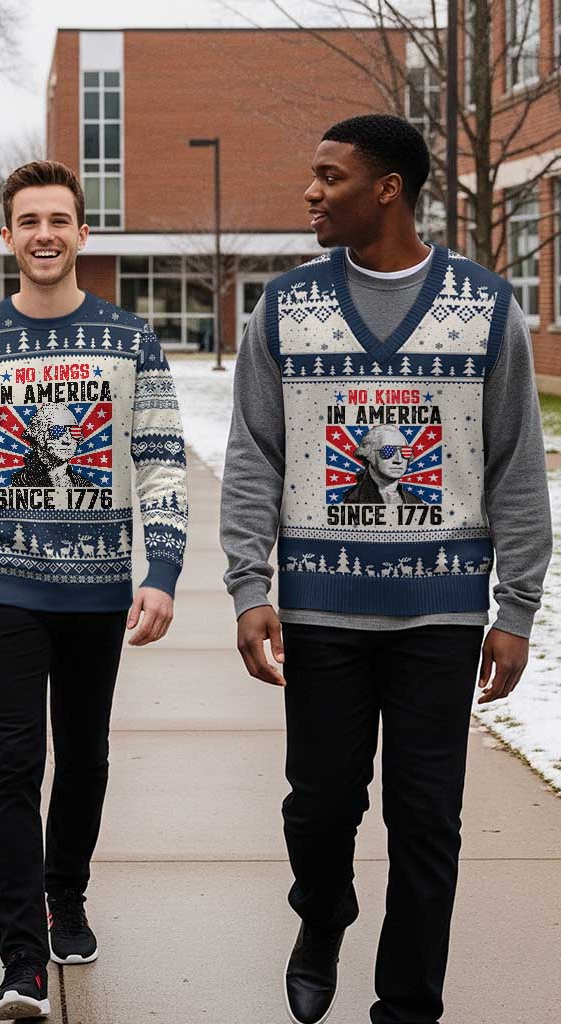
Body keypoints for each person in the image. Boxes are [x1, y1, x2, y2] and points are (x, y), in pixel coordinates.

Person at [221, 114, 551, 1024]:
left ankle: (408, 1005)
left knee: (427, 824)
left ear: (388, 188)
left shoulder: (484, 308)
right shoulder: (285, 307)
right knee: (319, 810)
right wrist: (251, 585)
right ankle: (321, 913)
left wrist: (516, 607)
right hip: (322, 612)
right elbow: (254, 452)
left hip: (441, 619)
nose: (311, 192)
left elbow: (517, 465)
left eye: (329, 176)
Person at [0, 159, 188, 1021]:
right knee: (13, 761)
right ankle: (21, 961)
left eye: (58, 220)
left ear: (82, 232)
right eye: (27, 220)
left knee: (86, 752)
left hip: (99, 584)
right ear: (6, 235)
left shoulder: (129, 340)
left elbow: (160, 460)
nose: (44, 234)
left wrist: (164, 569)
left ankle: (64, 895)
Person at [10, 404, 95, 488]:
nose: (67, 440)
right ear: (38, 436)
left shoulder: (84, 484)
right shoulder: (22, 482)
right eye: (57, 431)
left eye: (74, 431)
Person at [341, 426, 422, 505]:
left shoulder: (415, 501)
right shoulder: (351, 500)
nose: (399, 460)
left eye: (405, 452)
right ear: (369, 454)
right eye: (388, 451)